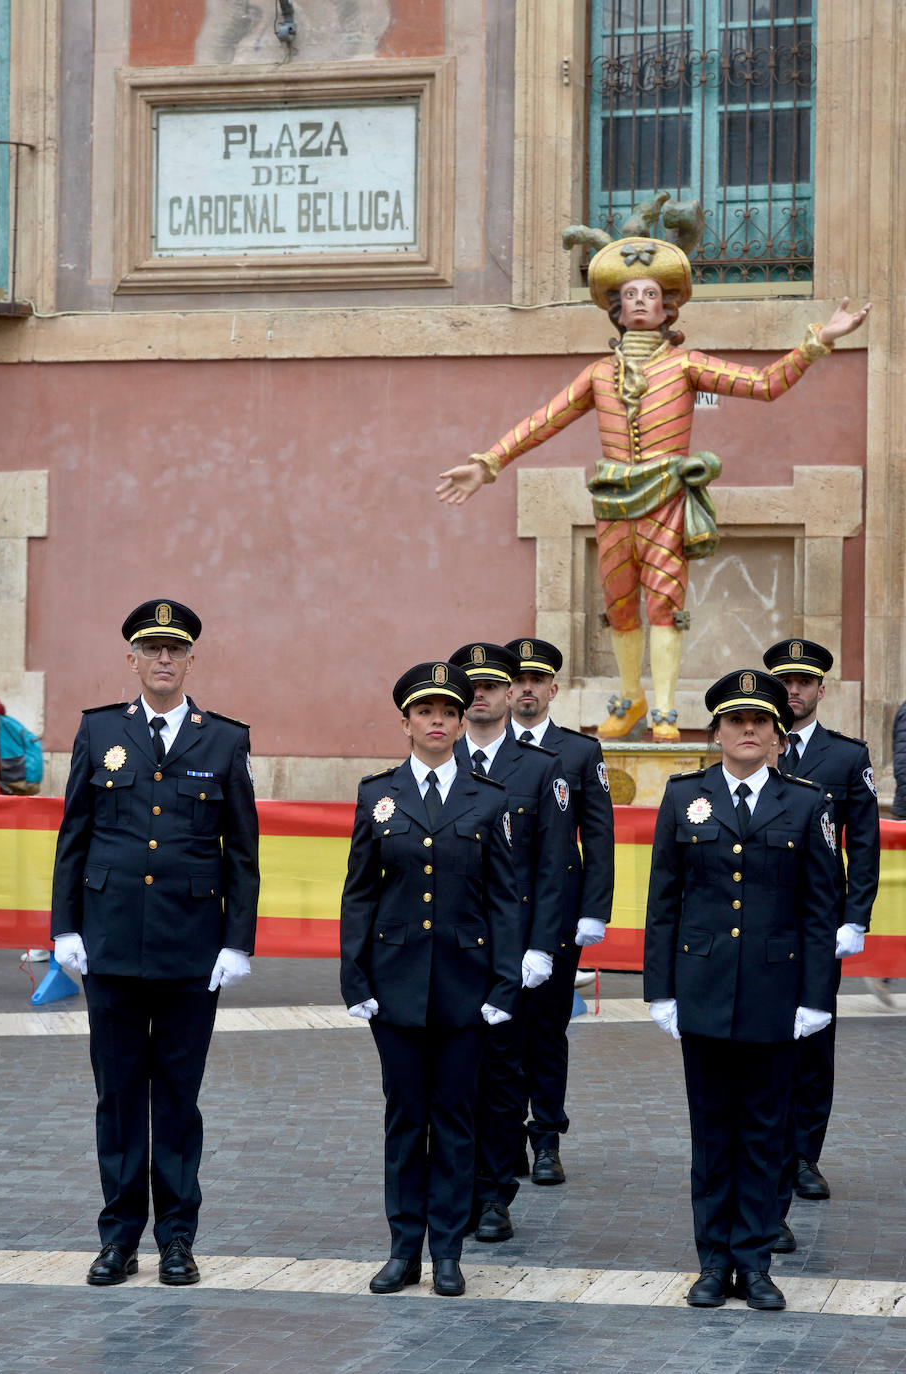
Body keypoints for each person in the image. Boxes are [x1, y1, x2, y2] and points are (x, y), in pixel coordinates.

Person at [436, 234, 869, 741]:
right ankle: (630, 696)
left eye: (650, 294)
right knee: (619, 605)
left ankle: (663, 706)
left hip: (666, 497)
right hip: (612, 502)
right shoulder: (599, 374)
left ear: (668, 308)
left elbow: (764, 384)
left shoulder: (687, 364)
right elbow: (544, 421)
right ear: (617, 310)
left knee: (664, 604)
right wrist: (488, 463)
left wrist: (819, 341)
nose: (640, 301)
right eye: (630, 295)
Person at [51, 599, 260, 1287]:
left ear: (191, 658)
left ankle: (176, 1238)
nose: (163, 659)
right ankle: (118, 1239)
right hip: (110, 943)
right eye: (151, 648)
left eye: (175, 649)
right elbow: (75, 836)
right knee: (117, 1098)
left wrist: (236, 941)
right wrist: (65, 927)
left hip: (189, 948)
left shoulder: (223, 740)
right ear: (132, 658)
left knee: (176, 1097)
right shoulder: (99, 729)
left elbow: (242, 852)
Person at [644, 669, 839, 1311]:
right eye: (736, 721)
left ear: (777, 734)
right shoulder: (684, 797)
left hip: (774, 993)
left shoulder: (807, 803)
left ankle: (754, 1264)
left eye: (760, 721)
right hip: (702, 989)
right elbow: (664, 901)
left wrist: (816, 997)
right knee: (711, 1135)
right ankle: (712, 1263)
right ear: (717, 732)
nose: (748, 730)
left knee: (765, 1134)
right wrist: (661, 989)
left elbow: (820, 909)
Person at [340, 661, 522, 1298]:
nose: (438, 721)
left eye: (448, 711)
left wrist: (504, 985)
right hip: (394, 986)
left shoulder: (488, 798)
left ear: (461, 722)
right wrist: (355, 977)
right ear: (406, 723)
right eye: (426, 712)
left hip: (465, 988)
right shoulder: (377, 795)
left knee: (454, 1121)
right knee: (403, 1120)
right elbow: (359, 894)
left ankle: (447, 1251)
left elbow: (505, 900)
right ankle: (402, 1251)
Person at [448, 642, 567, 1243]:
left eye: (492, 686)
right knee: (450, 1077)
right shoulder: (436, 759)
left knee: (500, 1077)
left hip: (509, 950)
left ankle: (495, 1194)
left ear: (506, 694)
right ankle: (453, 1191)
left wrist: (541, 945)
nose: (481, 695)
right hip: (448, 950)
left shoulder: (541, 767)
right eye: (471, 686)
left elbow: (553, 867)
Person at [763, 638, 880, 1239]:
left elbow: (865, 842)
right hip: (761, 923)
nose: (794, 691)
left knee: (813, 1040)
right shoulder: (753, 746)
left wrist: (855, 917)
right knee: (763, 1037)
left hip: (819, 924)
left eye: (804, 682)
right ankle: (766, 1150)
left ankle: (805, 1154)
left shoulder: (845, 757)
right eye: (785, 682)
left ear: (820, 690)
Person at [505, 638, 615, 1183]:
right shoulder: (481, 747)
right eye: (518, 680)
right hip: (497, 913)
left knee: (547, 1030)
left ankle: (546, 1137)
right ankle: (504, 1139)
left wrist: (594, 910)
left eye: (537, 680)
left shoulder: (579, 752)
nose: (527, 688)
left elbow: (598, 835)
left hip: (557, 914)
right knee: (500, 1030)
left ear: (553, 689)